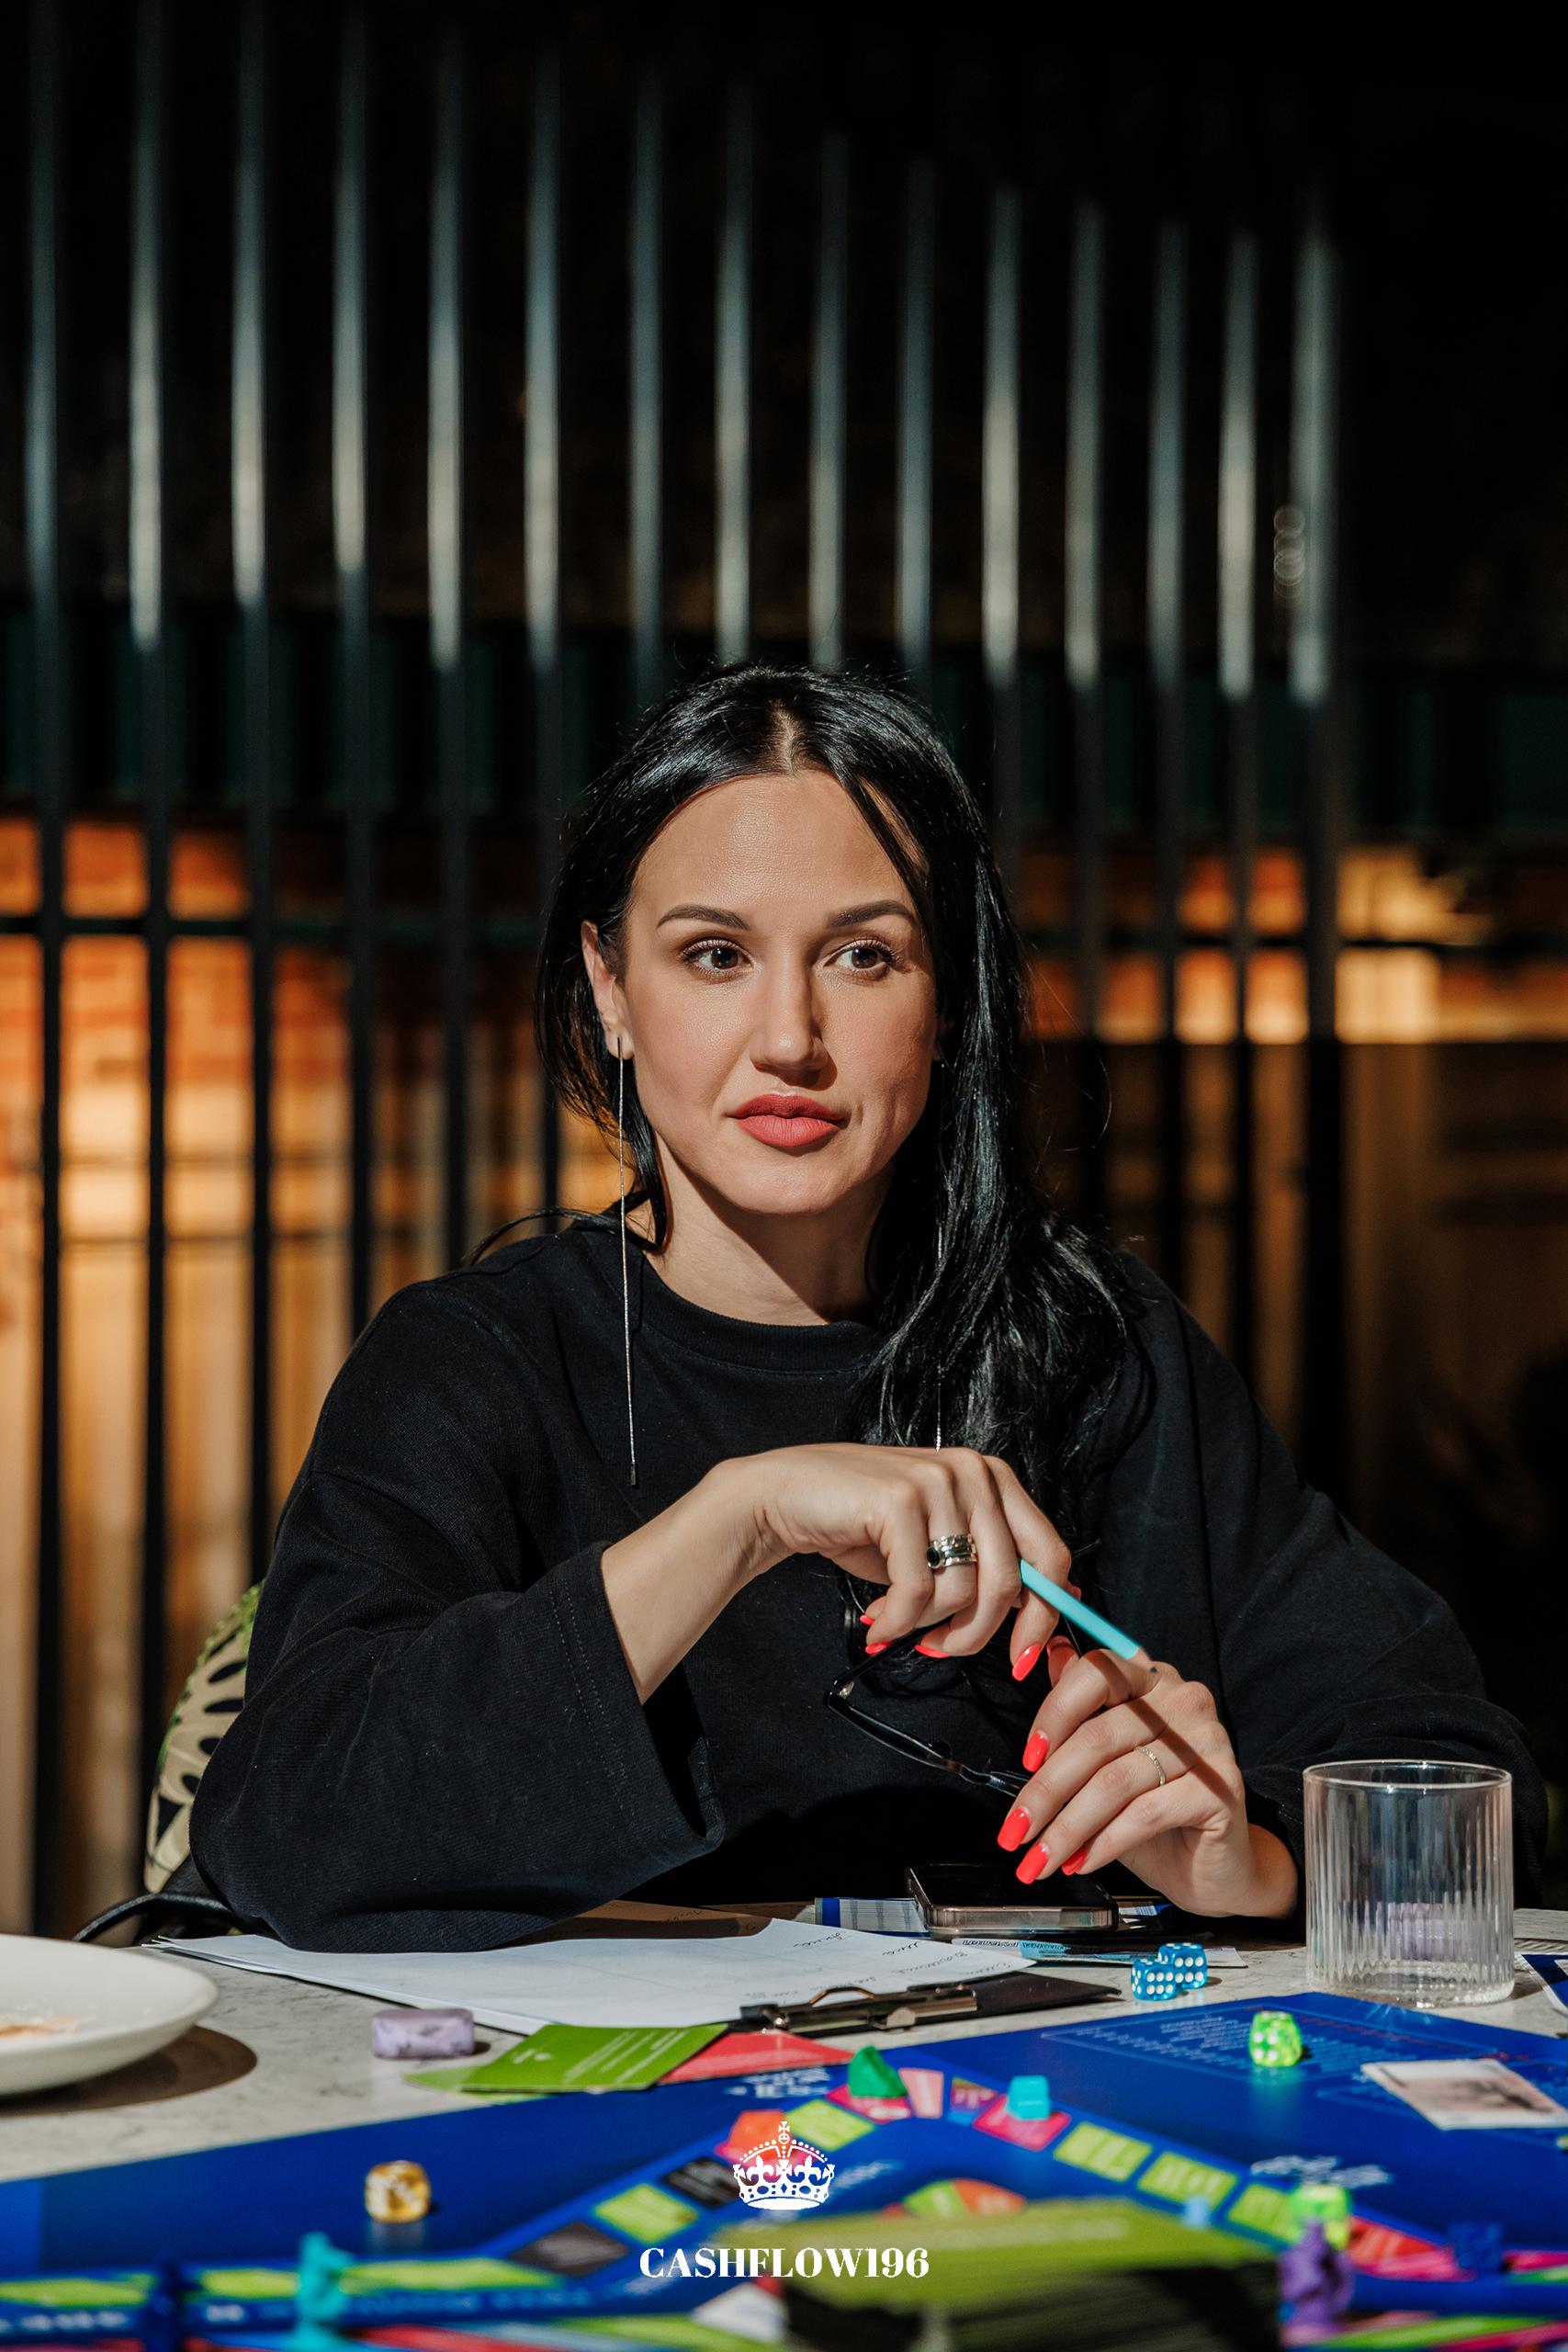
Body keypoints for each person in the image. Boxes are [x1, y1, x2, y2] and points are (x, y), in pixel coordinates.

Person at [188, 662, 1546, 1951]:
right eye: (714, 955)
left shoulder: (1091, 1348)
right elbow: (284, 1829)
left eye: (862, 956)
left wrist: (1251, 1856)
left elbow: (1465, 1800)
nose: (790, 1037)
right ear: (612, 992)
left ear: (947, 999)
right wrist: (743, 1518)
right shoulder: (475, 1361)